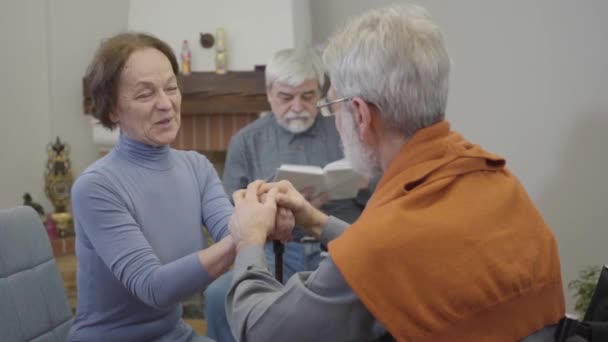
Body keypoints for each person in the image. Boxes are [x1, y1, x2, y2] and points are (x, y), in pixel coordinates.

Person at [225, 5, 566, 342]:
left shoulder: (383, 246)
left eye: (331, 106)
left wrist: (249, 239)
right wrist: (315, 219)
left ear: (359, 114)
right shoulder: (501, 182)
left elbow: (262, 331)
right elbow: (405, 255)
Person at [69, 32, 240, 342]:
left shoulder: (197, 167)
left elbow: (232, 233)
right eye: (145, 94)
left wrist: (263, 212)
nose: (166, 104)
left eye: (171, 88)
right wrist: (245, 234)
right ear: (112, 110)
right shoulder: (96, 187)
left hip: (175, 334)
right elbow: (154, 288)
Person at [203, 48, 373, 341]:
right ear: (269, 94)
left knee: (368, 290)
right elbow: (233, 209)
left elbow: (379, 201)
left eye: (307, 96)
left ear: (319, 91)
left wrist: (362, 182)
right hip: (277, 250)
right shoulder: (246, 141)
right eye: (286, 97)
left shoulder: (346, 130)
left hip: (335, 245)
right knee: (219, 294)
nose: (297, 106)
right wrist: (271, 204)